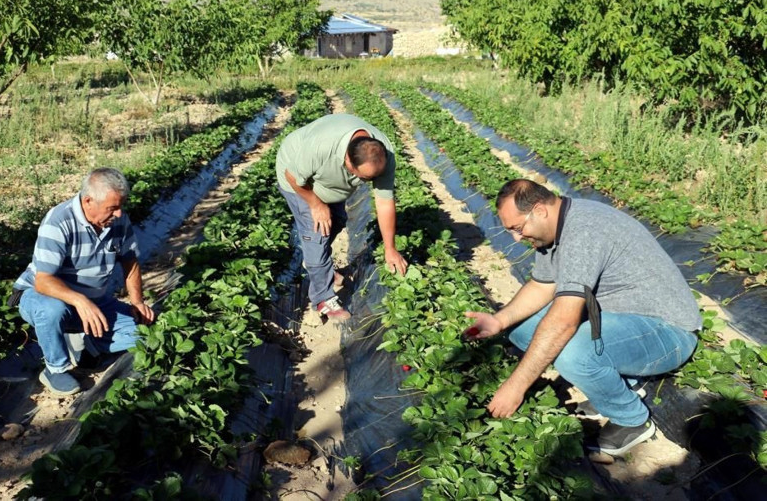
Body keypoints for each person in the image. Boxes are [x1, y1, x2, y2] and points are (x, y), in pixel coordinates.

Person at [464, 179, 701, 456]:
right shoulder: (555, 229)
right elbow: (542, 285)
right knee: (519, 327)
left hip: (668, 332)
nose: (517, 238)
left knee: (573, 353)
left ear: (539, 210)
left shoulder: (583, 232)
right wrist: (499, 321)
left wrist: (516, 386)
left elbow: (563, 322)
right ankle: (621, 385)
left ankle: (632, 421)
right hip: (622, 321)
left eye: (518, 228)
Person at [13, 168, 155, 396]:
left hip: (94, 299)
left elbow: (130, 262)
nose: (119, 213)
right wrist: (80, 301)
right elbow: (43, 281)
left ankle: (88, 344)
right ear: (88, 201)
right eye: (112, 208)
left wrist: (137, 302)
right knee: (52, 310)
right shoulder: (59, 222)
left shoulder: (118, 221)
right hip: (42, 296)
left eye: (121, 206)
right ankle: (55, 369)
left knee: (144, 335)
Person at [276, 113, 408, 321]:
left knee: (336, 220)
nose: (368, 182)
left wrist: (390, 249)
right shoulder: (321, 147)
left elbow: (384, 202)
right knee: (317, 233)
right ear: (347, 160)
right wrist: (316, 204)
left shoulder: (382, 155)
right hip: (298, 179)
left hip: (329, 182)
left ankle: (321, 267)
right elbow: (292, 176)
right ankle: (322, 298)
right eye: (364, 178)